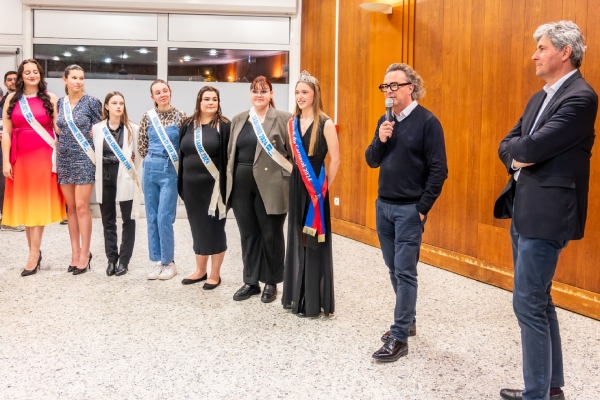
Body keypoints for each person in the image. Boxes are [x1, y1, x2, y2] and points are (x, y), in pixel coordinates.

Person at [494, 21, 597, 400]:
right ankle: (550, 388)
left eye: (541, 47)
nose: (534, 55)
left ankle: (536, 394)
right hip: (524, 210)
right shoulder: (540, 97)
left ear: (564, 52)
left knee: (527, 304)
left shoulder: (581, 97)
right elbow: (508, 144)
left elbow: (530, 149)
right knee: (541, 299)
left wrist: (522, 153)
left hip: (548, 215)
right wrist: (520, 154)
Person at [365, 63, 448, 362]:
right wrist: (381, 138)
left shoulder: (428, 122)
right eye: (385, 87)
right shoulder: (385, 121)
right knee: (392, 267)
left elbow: (440, 171)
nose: (388, 91)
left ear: (410, 87)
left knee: (405, 271)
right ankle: (408, 320)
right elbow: (372, 160)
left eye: (394, 86)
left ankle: (399, 336)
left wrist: (423, 208)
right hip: (383, 206)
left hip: (410, 210)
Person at [225, 76, 292, 303]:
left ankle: (271, 282)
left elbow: (293, 155)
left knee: (271, 234)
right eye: (255, 91)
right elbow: (231, 153)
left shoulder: (284, 119)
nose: (259, 95)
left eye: (264, 91)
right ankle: (251, 281)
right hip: (242, 186)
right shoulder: (239, 119)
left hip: (272, 185)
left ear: (271, 94)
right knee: (249, 234)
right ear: (250, 94)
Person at [282, 71, 340, 317]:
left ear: (315, 95)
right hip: (297, 184)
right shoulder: (292, 123)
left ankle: (313, 300)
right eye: (297, 92)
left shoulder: (325, 123)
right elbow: (294, 159)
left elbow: (336, 160)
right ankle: (297, 295)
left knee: (314, 241)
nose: (300, 96)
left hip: (316, 187)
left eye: (304, 92)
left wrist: (322, 189)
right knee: (297, 237)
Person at [1, 59, 66, 276]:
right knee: (27, 204)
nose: (31, 75)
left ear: (40, 75)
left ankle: (33, 255)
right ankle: (34, 252)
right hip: (20, 157)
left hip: (43, 156)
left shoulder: (50, 98)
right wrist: (5, 161)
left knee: (37, 204)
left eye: (35, 71)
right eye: (27, 72)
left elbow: (59, 127)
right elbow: (7, 132)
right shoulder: (12, 98)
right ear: (21, 76)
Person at [178, 86, 230, 289]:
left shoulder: (224, 125)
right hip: (191, 188)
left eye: (214, 99)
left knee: (215, 229)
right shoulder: (188, 124)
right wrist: (180, 184)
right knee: (197, 228)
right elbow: (182, 155)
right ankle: (200, 271)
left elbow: (229, 158)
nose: (210, 103)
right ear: (199, 102)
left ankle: (215, 274)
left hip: (214, 188)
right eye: (206, 99)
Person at [56, 65, 102, 275]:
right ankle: (74, 252)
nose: (78, 81)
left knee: (83, 207)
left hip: (85, 158)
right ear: (65, 79)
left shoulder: (92, 102)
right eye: (74, 78)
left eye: (81, 78)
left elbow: (102, 130)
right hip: (64, 158)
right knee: (71, 208)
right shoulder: (60, 103)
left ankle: (85, 253)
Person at [139, 79, 186, 280]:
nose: (162, 95)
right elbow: (142, 145)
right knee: (151, 216)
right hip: (150, 168)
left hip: (170, 170)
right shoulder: (147, 117)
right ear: (152, 97)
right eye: (157, 92)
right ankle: (157, 261)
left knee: (164, 217)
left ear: (170, 92)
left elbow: (185, 145)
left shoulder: (181, 116)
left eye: (165, 91)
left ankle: (169, 261)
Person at [92, 92, 141, 277]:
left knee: (128, 219)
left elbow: (138, 156)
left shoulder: (132, 128)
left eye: (121, 103)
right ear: (106, 106)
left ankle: (124, 260)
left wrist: (130, 173)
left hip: (125, 176)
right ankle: (111, 259)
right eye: (114, 103)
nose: (118, 106)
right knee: (108, 220)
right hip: (105, 177)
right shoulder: (97, 128)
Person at [0, 70, 24, 232]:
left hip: (20, 146)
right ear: (5, 83)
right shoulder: (3, 101)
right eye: (9, 80)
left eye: (16, 79)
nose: (13, 82)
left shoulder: (26, 101)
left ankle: (15, 216)